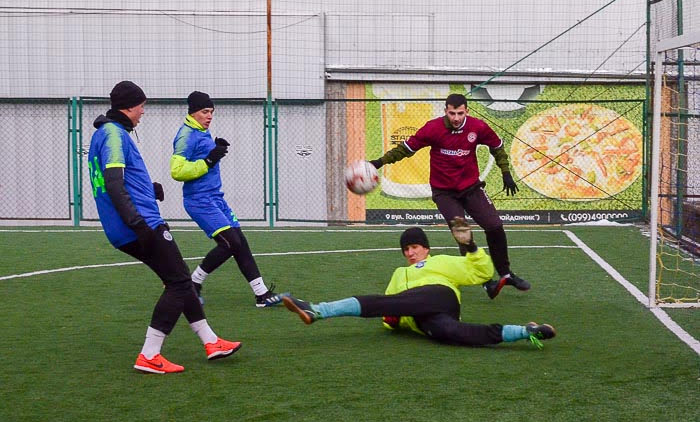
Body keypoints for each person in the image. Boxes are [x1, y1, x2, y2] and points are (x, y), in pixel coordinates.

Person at [88, 81, 241, 374]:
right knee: (180, 283)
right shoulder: (114, 134)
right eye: (142, 106)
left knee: (179, 278)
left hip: (125, 226)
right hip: (140, 225)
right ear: (130, 106)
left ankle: (211, 342)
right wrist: (139, 223)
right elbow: (114, 183)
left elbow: (120, 181)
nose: (143, 112)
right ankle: (150, 354)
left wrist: (148, 188)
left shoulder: (103, 134)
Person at [283, 221, 556, 349]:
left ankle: (318, 310)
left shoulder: (442, 263)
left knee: (386, 302)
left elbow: (481, 272)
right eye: (406, 249)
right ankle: (526, 331)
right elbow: (391, 319)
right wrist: (392, 321)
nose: (410, 253)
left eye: (414, 247)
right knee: (456, 335)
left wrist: (470, 245)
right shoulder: (399, 273)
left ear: (426, 248)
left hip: (442, 298)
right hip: (424, 320)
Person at [368, 93, 531, 299]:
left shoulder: (477, 127)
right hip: (444, 192)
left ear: (467, 112)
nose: (456, 117)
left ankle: (506, 274)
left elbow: (497, 146)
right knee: (462, 232)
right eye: (452, 113)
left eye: (460, 113)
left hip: (471, 187)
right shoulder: (433, 128)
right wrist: (379, 162)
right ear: (446, 110)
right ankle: (485, 281)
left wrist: (506, 173)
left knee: (495, 226)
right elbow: (406, 149)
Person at [170, 91, 288, 307]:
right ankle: (193, 284)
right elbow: (177, 171)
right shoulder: (186, 135)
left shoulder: (202, 131)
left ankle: (261, 294)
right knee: (230, 243)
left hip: (216, 198)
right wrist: (208, 160)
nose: (210, 116)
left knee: (240, 242)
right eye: (205, 111)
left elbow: (204, 159)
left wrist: (214, 150)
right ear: (193, 112)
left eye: (212, 112)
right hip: (199, 201)